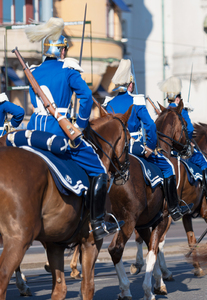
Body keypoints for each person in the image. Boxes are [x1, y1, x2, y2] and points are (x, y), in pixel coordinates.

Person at [24, 18, 122, 241]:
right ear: (61, 50)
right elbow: (86, 97)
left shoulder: (34, 72)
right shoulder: (68, 71)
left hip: (32, 132)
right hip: (58, 132)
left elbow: (33, 103)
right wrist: (80, 124)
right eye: (65, 48)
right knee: (98, 170)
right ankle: (97, 223)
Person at [104, 60, 192, 221]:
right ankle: (173, 208)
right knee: (168, 168)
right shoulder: (136, 101)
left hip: (113, 150)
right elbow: (150, 126)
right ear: (130, 84)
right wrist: (150, 146)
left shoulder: (108, 104)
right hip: (133, 147)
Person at [158, 76, 207, 215]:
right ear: (178, 99)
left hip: (164, 150)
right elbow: (189, 130)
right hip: (181, 150)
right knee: (203, 164)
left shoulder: (164, 111)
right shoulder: (181, 111)